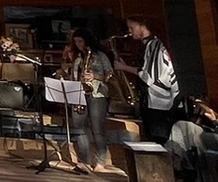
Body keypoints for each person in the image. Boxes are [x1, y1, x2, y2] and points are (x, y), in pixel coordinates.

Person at [115, 16, 180, 143]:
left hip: (160, 103)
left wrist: (124, 67)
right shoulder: (151, 45)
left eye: (131, 27)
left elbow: (150, 77)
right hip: (157, 102)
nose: (129, 31)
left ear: (141, 26)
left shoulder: (155, 46)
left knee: (158, 140)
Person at [65, 30, 115, 169]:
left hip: (97, 93)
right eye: (76, 42)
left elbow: (111, 74)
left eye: (80, 41)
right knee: (80, 128)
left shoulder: (100, 56)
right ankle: (84, 160)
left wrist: (95, 76)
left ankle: (100, 161)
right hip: (79, 93)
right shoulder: (77, 58)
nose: (78, 44)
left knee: (97, 128)